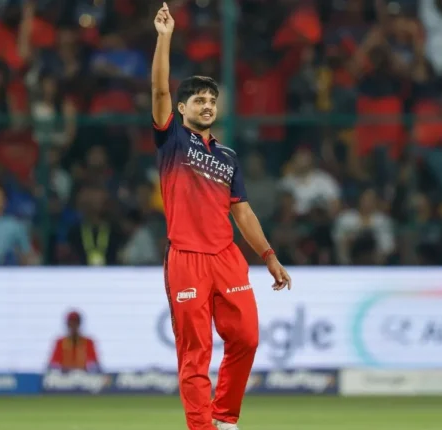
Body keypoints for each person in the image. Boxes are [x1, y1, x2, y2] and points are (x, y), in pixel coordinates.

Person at [151, 4, 291, 430]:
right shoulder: (172, 140)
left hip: (227, 257)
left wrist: (268, 255)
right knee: (195, 354)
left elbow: (242, 212)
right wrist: (164, 37)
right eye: (199, 100)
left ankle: (225, 418)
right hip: (187, 257)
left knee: (246, 337)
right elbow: (158, 92)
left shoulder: (228, 156)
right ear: (182, 107)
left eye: (212, 100)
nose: (208, 105)